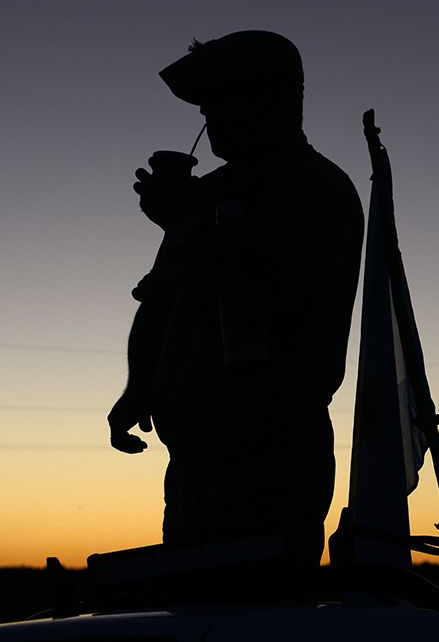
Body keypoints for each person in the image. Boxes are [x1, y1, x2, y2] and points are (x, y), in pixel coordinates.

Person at [107, 31, 363, 570]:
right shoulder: (208, 193)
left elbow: (270, 298)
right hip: (194, 469)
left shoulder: (316, 190)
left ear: (271, 101)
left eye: (219, 102)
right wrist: (138, 387)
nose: (207, 117)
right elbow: (159, 302)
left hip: (270, 462)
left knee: (253, 606)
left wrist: (184, 223)